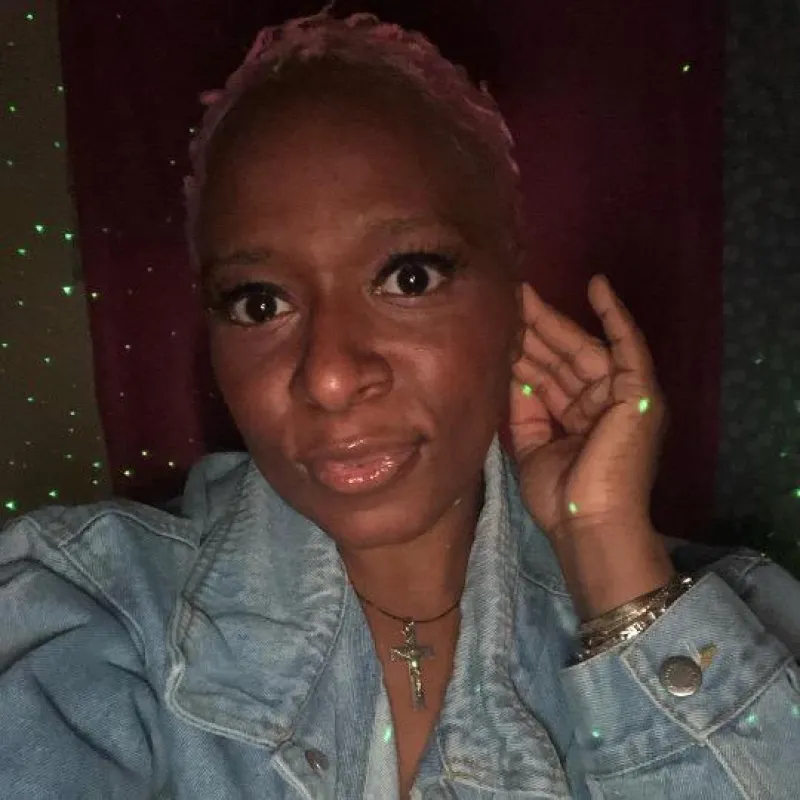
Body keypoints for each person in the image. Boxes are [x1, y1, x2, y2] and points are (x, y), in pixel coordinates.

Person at [1, 11, 799, 799]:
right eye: (258, 302)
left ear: (513, 303)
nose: (330, 377)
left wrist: (615, 572)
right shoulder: (95, 607)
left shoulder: (738, 628)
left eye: (408, 278)